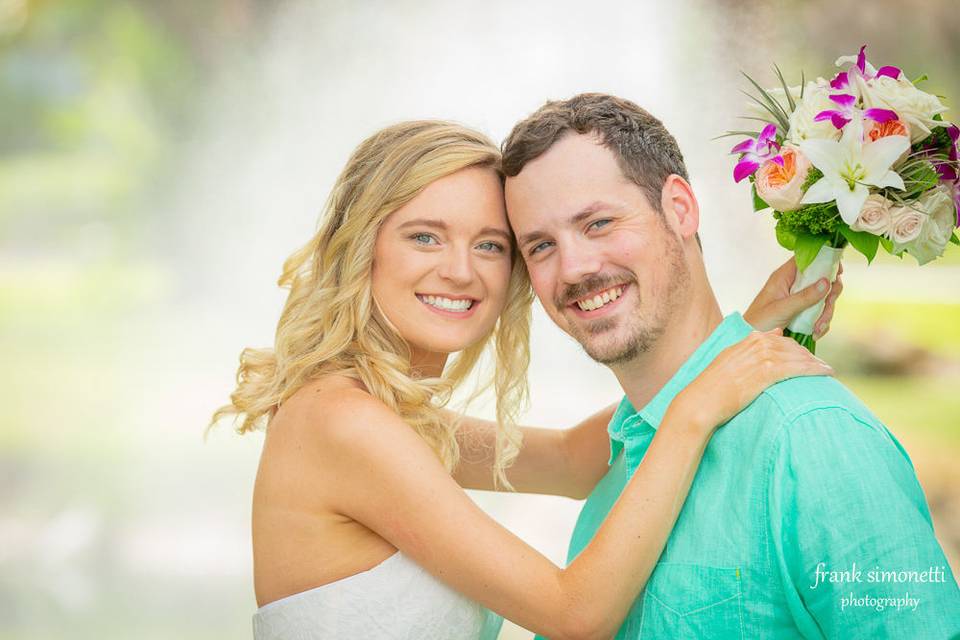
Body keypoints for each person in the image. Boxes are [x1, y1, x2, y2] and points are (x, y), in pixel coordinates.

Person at [212, 120, 838, 640]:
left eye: (490, 246)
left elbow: (570, 461)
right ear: (361, 248)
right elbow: (576, 613)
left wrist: (742, 336)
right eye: (425, 237)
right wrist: (695, 410)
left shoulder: (385, 417)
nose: (460, 271)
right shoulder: (341, 423)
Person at [500, 93, 960, 639]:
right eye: (540, 246)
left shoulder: (811, 440)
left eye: (597, 223)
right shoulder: (621, 450)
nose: (574, 267)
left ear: (680, 209)